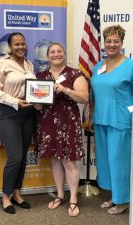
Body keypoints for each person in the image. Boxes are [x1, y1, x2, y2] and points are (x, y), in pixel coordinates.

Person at [90, 25, 133, 215]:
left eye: (116, 41)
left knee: (119, 162)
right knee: (106, 162)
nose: (112, 44)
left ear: (122, 43)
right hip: (101, 121)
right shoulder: (98, 66)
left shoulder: (132, 66)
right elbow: (94, 94)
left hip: (120, 121)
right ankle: (114, 196)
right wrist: (91, 117)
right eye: (108, 41)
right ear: (103, 43)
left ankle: (124, 201)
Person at [34, 42, 89, 217]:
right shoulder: (41, 75)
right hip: (48, 122)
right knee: (55, 161)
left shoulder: (74, 73)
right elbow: (38, 103)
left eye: (59, 51)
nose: (56, 54)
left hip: (68, 122)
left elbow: (84, 98)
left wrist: (65, 90)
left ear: (64, 54)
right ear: (47, 55)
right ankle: (60, 194)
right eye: (52, 52)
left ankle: (73, 199)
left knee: (70, 162)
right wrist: (36, 104)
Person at [0, 32, 35, 214]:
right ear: (10, 47)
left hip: (27, 113)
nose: (21, 47)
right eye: (16, 44)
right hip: (7, 113)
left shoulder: (29, 64)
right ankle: (5, 196)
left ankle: (17, 193)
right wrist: (15, 101)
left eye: (23, 44)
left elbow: (34, 88)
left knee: (23, 157)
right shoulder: (1, 63)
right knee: (15, 157)